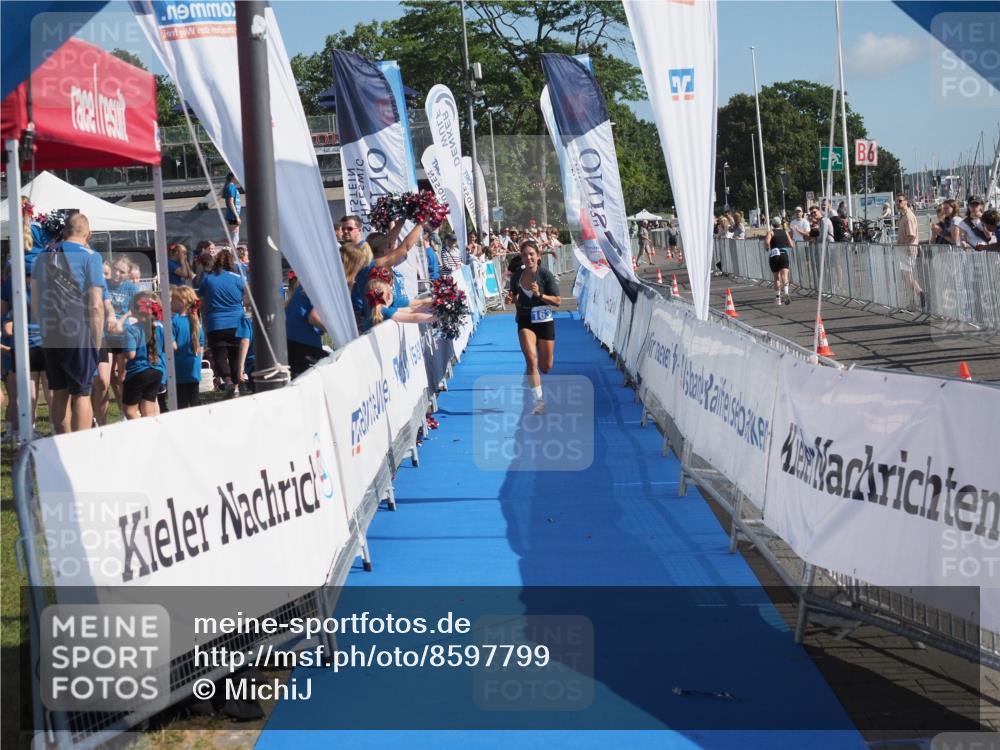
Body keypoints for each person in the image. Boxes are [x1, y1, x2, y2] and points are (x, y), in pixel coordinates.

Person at [31, 212, 105, 434]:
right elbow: (95, 303)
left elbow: (34, 299)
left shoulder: (43, 255)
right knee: (82, 392)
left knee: (59, 390)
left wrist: (45, 327)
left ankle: (62, 443)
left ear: (64, 232)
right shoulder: (91, 256)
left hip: (51, 330)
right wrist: (97, 338)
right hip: (79, 330)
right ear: (88, 234)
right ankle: (81, 446)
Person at [509, 239, 560, 416]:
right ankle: (538, 402)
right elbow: (513, 296)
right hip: (525, 320)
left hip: (544, 321)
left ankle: (541, 358)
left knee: (546, 366)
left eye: (531, 254)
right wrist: (513, 299)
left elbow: (558, 301)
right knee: (531, 360)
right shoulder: (516, 276)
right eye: (524, 255)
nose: (528, 257)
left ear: (538, 256)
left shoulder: (546, 275)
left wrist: (540, 294)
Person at [197, 247, 247, 396]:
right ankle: (236, 386)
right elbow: (248, 298)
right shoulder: (239, 279)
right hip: (236, 322)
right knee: (235, 355)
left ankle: (227, 380)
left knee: (219, 353)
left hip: (215, 322)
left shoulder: (209, 279)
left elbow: (200, 299)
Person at [96, 257, 140, 424]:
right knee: (103, 380)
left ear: (128, 274)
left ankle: (125, 412)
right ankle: (100, 419)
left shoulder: (130, 288)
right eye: (116, 270)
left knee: (121, 377)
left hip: (123, 335)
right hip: (106, 336)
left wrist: (121, 321)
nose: (117, 274)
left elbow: (135, 309)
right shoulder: (104, 284)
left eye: (122, 272)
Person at [121, 292, 166, 419]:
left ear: (134, 311)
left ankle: (143, 435)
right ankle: (153, 435)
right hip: (157, 371)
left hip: (139, 372)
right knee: (149, 411)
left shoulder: (132, 329)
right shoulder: (161, 328)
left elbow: (130, 354)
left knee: (129, 410)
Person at [360, 266, 436, 333]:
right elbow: (413, 317)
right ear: (389, 295)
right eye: (391, 290)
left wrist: (437, 301)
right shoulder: (385, 311)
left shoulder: (378, 310)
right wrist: (438, 316)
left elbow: (412, 309)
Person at [169, 286, 205, 409]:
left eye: (173, 300)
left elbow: (172, 345)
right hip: (193, 368)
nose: (170, 302)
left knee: (181, 404)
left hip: (178, 368)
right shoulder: (196, 321)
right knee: (194, 400)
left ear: (182, 302)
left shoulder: (174, 321)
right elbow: (201, 345)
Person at [284, 281, 327, 377]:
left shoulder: (307, 284)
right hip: (306, 345)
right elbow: (313, 318)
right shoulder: (325, 285)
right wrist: (335, 331)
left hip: (291, 340)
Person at [895, 193, 925, 310]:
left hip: (908, 250)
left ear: (906, 201)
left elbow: (911, 235)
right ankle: (912, 300)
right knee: (906, 276)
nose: (898, 203)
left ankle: (919, 292)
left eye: (900, 200)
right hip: (903, 250)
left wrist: (903, 246)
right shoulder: (902, 216)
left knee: (907, 275)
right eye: (897, 201)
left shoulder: (908, 216)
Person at [765, 217, 792, 305]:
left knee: (776, 277)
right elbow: (791, 244)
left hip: (774, 254)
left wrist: (767, 247)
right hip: (784, 253)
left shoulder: (771, 232)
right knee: (785, 276)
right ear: (780, 224)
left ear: (772, 224)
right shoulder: (785, 232)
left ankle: (778, 299)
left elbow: (767, 242)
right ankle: (786, 293)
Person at [223, 172, 242, 247]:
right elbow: (231, 203)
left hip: (233, 215)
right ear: (233, 177)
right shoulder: (230, 187)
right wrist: (237, 216)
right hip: (232, 215)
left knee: (234, 235)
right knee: (234, 236)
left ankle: (232, 250)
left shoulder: (232, 187)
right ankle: (233, 252)